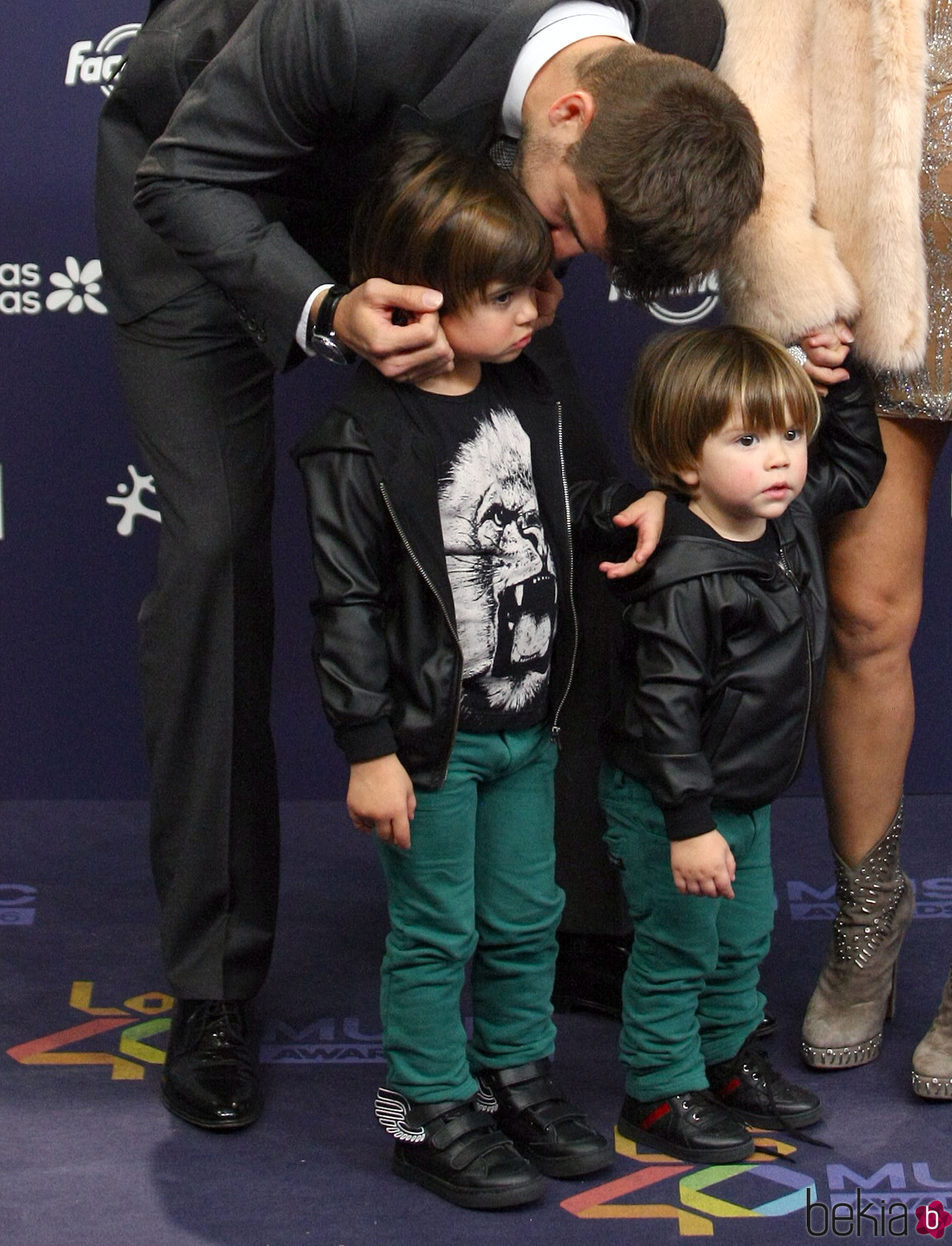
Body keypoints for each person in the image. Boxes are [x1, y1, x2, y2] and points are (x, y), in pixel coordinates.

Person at [94, 0, 764, 1129]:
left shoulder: (680, 24)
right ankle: (213, 986)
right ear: (567, 114)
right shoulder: (350, 1)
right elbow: (187, 177)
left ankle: (568, 921)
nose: (563, 264)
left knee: (579, 513)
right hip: (209, 172)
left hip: (439, 191)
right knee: (218, 547)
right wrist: (318, 305)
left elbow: (587, 245)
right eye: (568, 227)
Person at [293, 136, 663, 1208]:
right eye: (504, 294)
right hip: (432, 744)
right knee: (434, 930)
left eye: (534, 288)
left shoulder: (530, 398)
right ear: (420, 296)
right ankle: (426, 1104)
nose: (534, 311)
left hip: (528, 724)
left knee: (524, 917)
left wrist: (619, 505)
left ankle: (512, 1077)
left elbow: (560, 508)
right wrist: (370, 751)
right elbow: (348, 609)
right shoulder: (355, 442)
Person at [714, 0, 952, 1098]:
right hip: (882, 288)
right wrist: (787, 275)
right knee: (866, 616)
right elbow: (757, 54)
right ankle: (869, 917)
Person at [598, 326, 885, 1163]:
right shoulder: (682, 575)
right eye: (748, 440)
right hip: (672, 804)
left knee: (744, 934)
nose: (781, 461)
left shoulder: (787, 516)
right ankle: (657, 1089)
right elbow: (663, 713)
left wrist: (850, 380)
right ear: (684, 460)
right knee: (679, 946)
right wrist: (687, 823)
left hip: (743, 793)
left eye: (793, 435)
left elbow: (858, 469)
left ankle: (725, 1062)